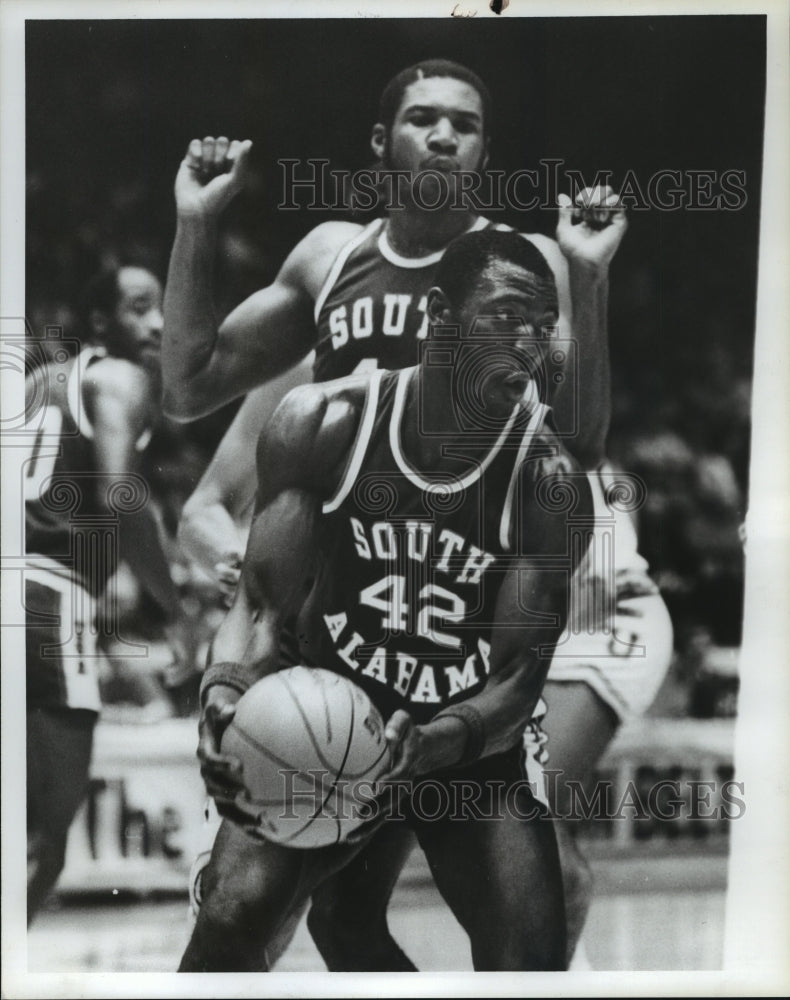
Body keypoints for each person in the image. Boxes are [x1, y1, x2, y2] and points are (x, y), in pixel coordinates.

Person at [165, 58, 632, 968]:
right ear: (382, 142)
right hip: (341, 622)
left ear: (486, 150)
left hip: (469, 618)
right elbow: (188, 385)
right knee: (263, 913)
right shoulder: (331, 260)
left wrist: (590, 280)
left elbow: (577, 445)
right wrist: (195, 225)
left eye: (466, 123)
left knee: (527, 914)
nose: (445, 135)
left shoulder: (524, 266)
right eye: (423, 118)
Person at [24, 264, 185, 922]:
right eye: (139, 308)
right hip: (46, 606)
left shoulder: (34, 386)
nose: (157, 324)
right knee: (41, 842)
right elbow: (122, 495)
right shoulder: (119, 377)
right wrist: (176, 604)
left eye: (161, 310)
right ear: (101, 324)